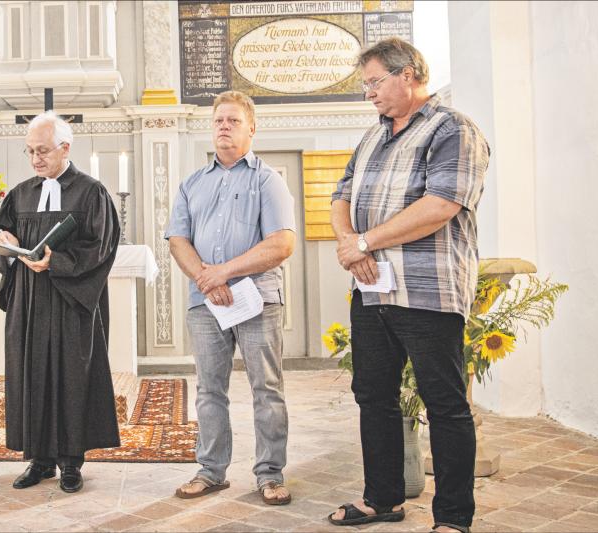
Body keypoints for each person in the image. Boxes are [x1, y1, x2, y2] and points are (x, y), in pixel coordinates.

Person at [326, 38, 489, 533]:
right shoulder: (371, 136)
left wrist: (365, 240)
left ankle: (454, 518)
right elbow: (340, 194)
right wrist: (351, 243)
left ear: (410, 73)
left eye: (375, 82)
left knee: (444, 402)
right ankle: (383, 498)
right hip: (372, 289)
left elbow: (442, 203)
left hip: (427, 289)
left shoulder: (452, 129)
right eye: (365, 85)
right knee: (373, 394)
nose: (369, 94)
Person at [165, 91, 296, 505]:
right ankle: (211, 471)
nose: (224, 126)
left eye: (233, 120)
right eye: (219, 120)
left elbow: (282, 243)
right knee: (208, 390)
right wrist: (207, 279)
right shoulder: (192, 184)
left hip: (257, 300)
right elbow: (178, 240)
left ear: (251, 128)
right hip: (206, 303)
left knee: (267, 388)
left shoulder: (267, 180)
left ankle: (270, 474)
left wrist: (224, 271)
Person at [0, 111, 120, 493]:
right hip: (27, 303)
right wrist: (7, 246)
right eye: (29, 151)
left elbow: (102, 248)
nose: (35, 159)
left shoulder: (91, 192)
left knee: (71, 377)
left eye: (42, 151)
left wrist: (56, 262)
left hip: (70, 302)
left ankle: (72, 462)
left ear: (65, 147)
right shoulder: (21, 193)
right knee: (31, 376)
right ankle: (39, 459)